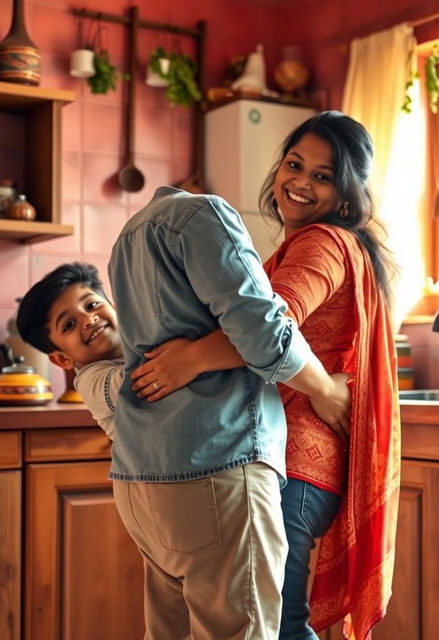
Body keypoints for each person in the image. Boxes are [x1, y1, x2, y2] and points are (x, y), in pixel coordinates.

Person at [131, 111, 401, 639]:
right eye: (294, 164)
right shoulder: (311, 244)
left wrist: (190, 358)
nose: (299, 182)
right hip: (299, 463)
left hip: (295, 463)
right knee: (278, 624)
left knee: (278, 627)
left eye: (322, 176)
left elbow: (268, 325)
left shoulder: (321, 243)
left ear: (346, 195)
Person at [108, 185, 351, 640]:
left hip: (142, 478)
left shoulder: (128, 235)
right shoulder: (205, 213)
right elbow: (261, 327)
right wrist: (324, 388)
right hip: (218, 465)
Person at [15, 261, 122, 441]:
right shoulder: (91, 381)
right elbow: (141, 380)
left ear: (113, 306)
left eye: (91, 305)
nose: (88, 319)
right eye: (69, 325)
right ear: (62, 359)